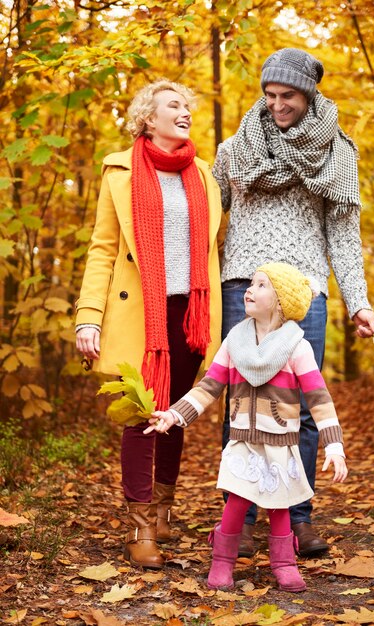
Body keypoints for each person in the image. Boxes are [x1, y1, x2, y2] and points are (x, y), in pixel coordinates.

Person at [212, 48, 374, 557]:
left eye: (287, 95)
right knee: (238, 402)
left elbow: (345, 235)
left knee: (301, 407)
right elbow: (205, 216)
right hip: (242, 285)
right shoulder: (235, 149)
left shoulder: (338, 153)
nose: (277, 104)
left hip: (305, 291)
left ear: (309, 94)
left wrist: (360, 302)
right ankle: (237, 519)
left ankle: (297, 518)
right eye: (269, 95)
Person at [75, 79, 224, 570]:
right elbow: (101, 249)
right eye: (174, 106)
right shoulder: (119, 171)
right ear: (148, 118)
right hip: (139, 311)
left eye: (188, 106)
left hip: (190, 314)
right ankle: (140, 525)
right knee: (140, 413)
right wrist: (89, 317)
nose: (185, 112)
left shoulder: (204, 175)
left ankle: (163, 508)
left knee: (175, 413)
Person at [146, 262, 348, 592]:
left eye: (261, 285)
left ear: (281, 300)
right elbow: (209, 387)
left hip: (281, 442)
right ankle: (223, 562)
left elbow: (319, 398)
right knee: (236, 502)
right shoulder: (234, 342)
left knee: (280, 505)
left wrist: (334, 445)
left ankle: (283, 562)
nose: (249, 290)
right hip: (242, 442)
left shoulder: (297, 347)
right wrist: (174, 414)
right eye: (251, 283)